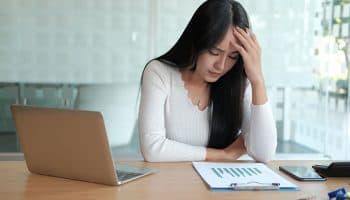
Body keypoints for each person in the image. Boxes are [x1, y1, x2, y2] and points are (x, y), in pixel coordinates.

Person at [138, 0, 277, 162]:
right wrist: (223, 154)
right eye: (214, 51)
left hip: (222, 184)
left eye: (233, 56)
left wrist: (257, 80)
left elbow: (264, 154)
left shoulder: (240, 81)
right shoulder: (159, 73)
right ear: (197, 41)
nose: (221, 65)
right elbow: (152, 148)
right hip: (171, 184)